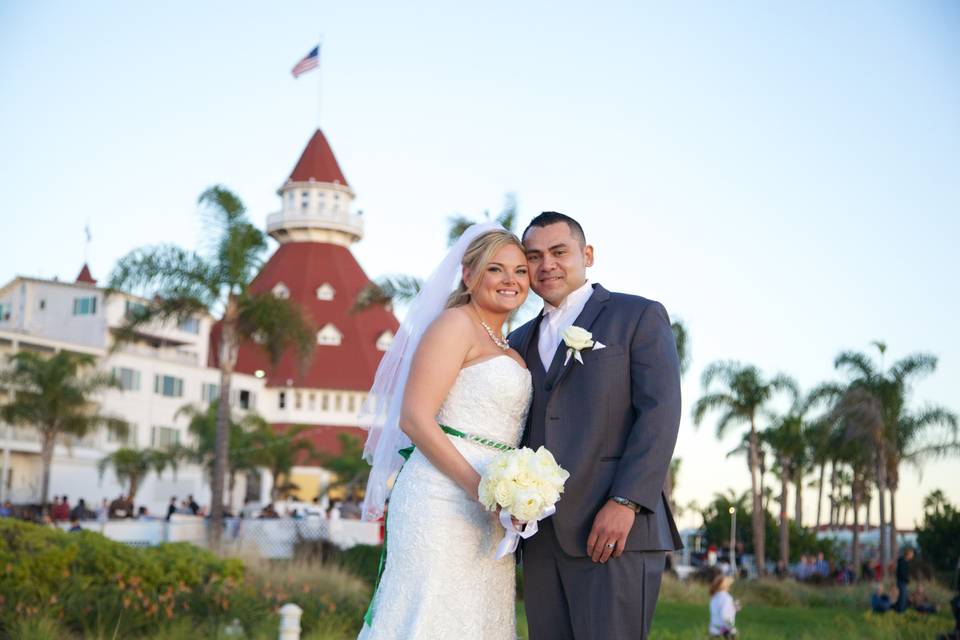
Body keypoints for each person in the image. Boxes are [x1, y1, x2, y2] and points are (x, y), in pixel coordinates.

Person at [509, 212, 682, 639]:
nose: (546, 264)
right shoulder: (516, 341)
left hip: (614, 530)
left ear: (587, 255)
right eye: (534, 256)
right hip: (541, 537)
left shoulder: (637, 315)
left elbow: (660, 412)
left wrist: (626, 501)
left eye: (558, 252)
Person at [358, 224, 531, 639]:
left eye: (521, 271)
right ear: (469, 276)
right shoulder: (454, 325)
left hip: (494, 509)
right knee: (433, 615)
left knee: (476, 619)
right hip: (441, 500)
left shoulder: (512, 347)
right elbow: (415, 418)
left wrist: (513, 495)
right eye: (496, 269)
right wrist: (481, 490)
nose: (510, 280)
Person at [895, 547, 914, 613]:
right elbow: (901, 573)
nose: (912, 555)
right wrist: (907, 579)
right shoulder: (902, 562)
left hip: (903, 582)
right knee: (902, 597)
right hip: (901, 582)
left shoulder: (905, 562)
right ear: (908, 554)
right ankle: (900, 611)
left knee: (904, 596)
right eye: (911, 554)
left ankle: (902, 610)